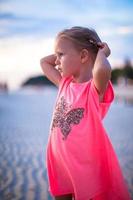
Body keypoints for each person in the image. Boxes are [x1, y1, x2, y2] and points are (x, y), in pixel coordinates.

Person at [40, 26, 131, 200]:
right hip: (60, 162)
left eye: (61, 55)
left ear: (83, 56)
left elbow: (102, 70)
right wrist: (62, 50)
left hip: (85, 166)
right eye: (56, 56)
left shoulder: (93, 89)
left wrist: (101, 53)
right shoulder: (64, 84)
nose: (56, 61)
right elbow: (44, 62)